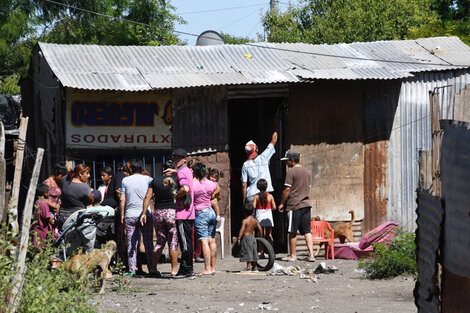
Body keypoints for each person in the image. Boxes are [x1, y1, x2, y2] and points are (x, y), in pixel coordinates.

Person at [141, 159, 179, 277]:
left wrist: (143, 212)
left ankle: (153, 268)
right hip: (172, 212)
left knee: (160, 241)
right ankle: (174, 270)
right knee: (173, 241)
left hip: (158, 212)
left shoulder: (154, 181)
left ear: (163, 168)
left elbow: (148, 196)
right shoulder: (177, 179)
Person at [278, 150, 315, 262]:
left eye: (287, 161)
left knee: (292, 231)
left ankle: (293, 255)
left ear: (292, 160)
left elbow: (287, 189)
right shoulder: (307, 172)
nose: (286, 163)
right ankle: (311, 255)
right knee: (307, 231)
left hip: (294, 206)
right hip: (306, 205)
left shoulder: (291, 172)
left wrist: (282, 203)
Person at [164, 148, 195, 279]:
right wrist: (175, 171)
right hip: (189, 212)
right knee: (187, 241)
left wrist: (176, 195)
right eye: (175, 158)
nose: (175, 160)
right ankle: (187, 269)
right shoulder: (186, 170)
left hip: (183, 213)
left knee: (185, 243)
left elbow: (185, 188)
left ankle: (186, 270)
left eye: (178, 158)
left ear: (184, 160)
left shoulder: (182, 172)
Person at [120, 159, 154, 276]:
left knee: (131, 243)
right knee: (148, 242)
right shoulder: (149, 179)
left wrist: (122, 215)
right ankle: (151, 267)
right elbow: (151, 195)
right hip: (145, 214)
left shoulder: (125, 180)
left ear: (130, 169)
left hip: (130, 214)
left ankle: (132, 269)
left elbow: (122, 199)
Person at [192, 162, 220, 275]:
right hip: (211, 212)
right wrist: (212, 195)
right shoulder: (211, 183)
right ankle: (213, 268)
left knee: (204, 241)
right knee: (211, 240)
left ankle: (207, 268)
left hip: (201, 213)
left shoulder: (193, 185)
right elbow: (218, 188)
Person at [241, 132, 278, 204]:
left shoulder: (245, 165)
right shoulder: (263, 157)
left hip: (251, 195)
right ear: (256, 149)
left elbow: (243, 184)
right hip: (265, 194)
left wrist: (244, 199)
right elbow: (274, 140)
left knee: (253, 215)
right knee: (264, 213)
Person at [237, 202, 263, 271]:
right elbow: (260, 229)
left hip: (246, 238)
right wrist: (260, 236)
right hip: (253, 238)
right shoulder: (254, 220)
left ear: (244, 212)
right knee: (253, 251)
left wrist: (239, 238)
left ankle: (248, 267)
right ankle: (255, 266)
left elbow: (242, 230)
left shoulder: (245, 221)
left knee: (247, 251)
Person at [253, 179, 276, 246]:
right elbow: (274, 207)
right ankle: (271, 251)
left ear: (258, 187)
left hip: (259, 215)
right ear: (266, 186)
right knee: (269, 234)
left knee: (261, 234)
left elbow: (253, 206)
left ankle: (261, 251)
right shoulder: (270, 196)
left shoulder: (256, 196)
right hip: (268, 215)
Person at [32, 183, 56, 248]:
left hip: (37, 229)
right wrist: (55, 223)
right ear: (45, 193)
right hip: (42, 231)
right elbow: (48, 218)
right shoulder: (44, 204)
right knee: (41, 249)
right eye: (48, 192)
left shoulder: (37, 201)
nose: (49, 193)